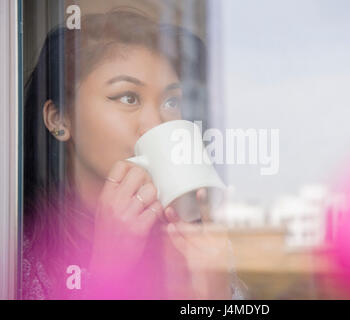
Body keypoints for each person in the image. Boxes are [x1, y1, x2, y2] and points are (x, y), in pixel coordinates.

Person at [22, 9, 246, 300]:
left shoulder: (191, 239)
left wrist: (218, 294)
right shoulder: (17, 253)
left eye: (170, 100)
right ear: (59, 119)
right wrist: (107, 270)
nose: (156, 123)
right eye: (128, 98)